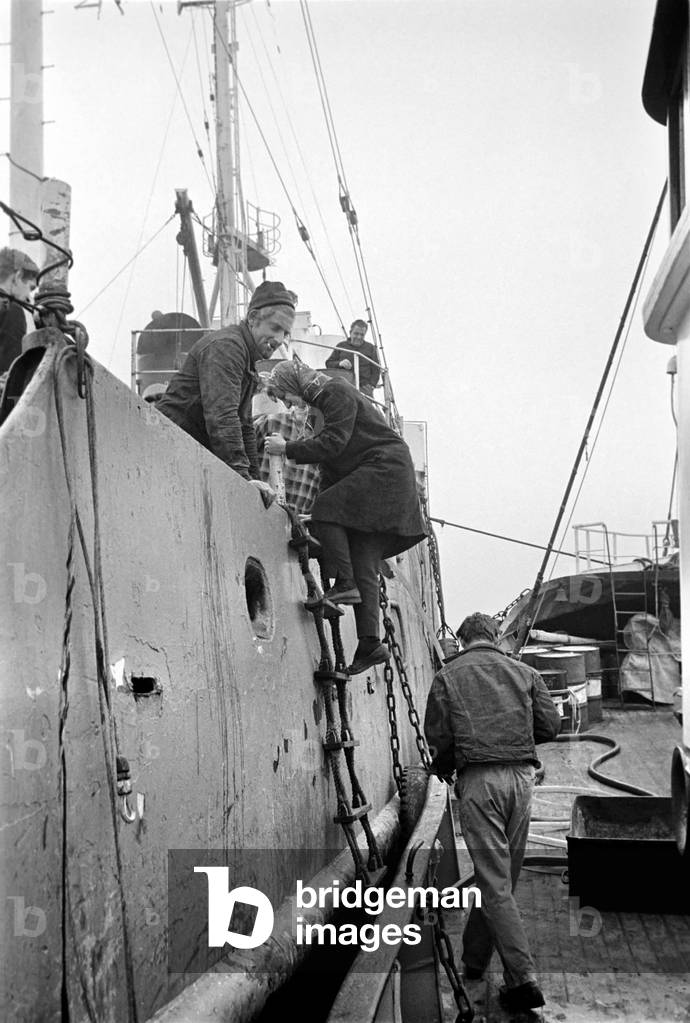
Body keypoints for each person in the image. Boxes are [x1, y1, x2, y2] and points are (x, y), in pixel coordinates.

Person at [423, 612, 560, 1015]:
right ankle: (474, 960)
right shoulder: (525, 672)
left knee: (495, 883)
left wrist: (445, 767)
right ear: (496, 635)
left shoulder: (447, 676)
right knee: (501, 880)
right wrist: (513, 740)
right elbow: (550, 726)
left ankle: (522, 977)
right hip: (521, 781)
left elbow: (439, 737)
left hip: (480, 783)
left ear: (463, 639)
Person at [264, 360, 426, 674]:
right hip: (382, 475)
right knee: (364, 555)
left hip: (384, 469)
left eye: (285, 395)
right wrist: (317, 510)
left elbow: (333, 444)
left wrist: (286, 448)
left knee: (327, 510)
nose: (288, 404)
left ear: (294, 383)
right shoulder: (319, 408)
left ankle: (345, 583)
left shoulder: (334, 391)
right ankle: (370, 643)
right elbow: (331, 467)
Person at [157, 281, 296, 502]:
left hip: (188, 452)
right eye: (275, 328)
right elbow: (222, 415)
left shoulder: (247, 358)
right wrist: (242, 476)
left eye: (285, 333)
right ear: (253, 318)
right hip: (166, 446)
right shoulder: (228, 347)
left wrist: (254, 482)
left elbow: (244, 426)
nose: (279, 340)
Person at [0, 247, 39, 378]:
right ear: (18, 276)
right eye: (30, 288)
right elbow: (11, 379)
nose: (28, 296)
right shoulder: (12, 310)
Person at [325, 319, 380, 397]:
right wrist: (340, 363)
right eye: (356, 333)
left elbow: (376, 369)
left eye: (362, 335)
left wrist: (371, 385)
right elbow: (328, 363)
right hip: (344, 387)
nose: (359, 337)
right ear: (350, 332)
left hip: (364, 388)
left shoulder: (370, 348)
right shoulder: (341, 346)